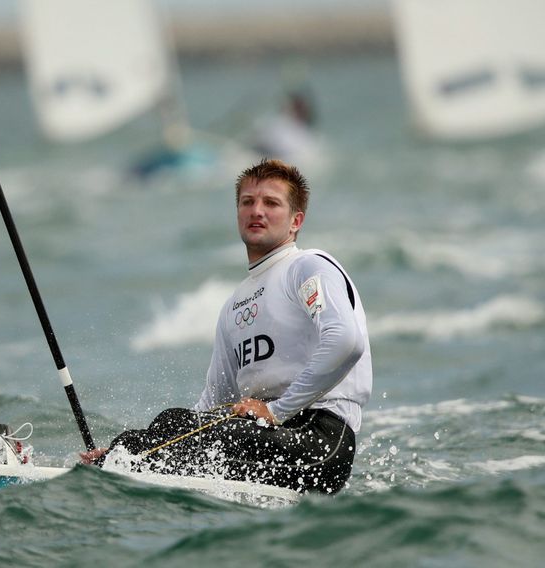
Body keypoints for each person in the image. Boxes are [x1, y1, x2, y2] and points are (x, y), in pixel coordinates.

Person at [82, 159, 371, 494]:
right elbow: (213, 403)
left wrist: (278, 410)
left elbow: (346, 341)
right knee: (172, 422)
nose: (256, 211)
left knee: (202, 441)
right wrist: (135, 447)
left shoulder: (307, 268)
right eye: (247, 202)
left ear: (296, 221)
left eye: (271, 203)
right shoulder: (235, 305)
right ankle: (106, 467)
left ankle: (113, 479)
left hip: (319, 441)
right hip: (261, 432)